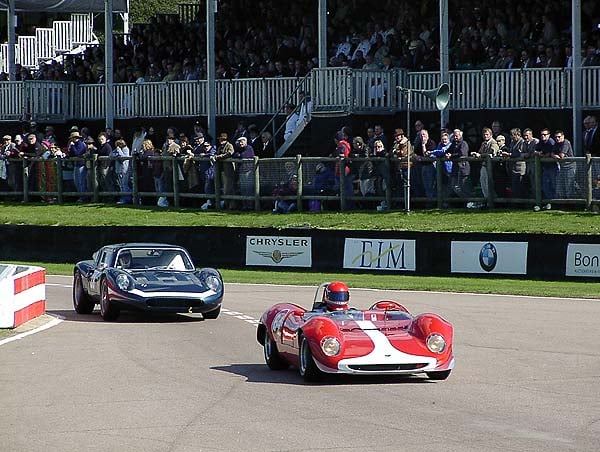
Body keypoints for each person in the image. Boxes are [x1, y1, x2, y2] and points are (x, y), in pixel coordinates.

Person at [471, 127, 499, 208]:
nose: (485, 136)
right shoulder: (484, 143)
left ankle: (491, 202)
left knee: (489, 184)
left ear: (491, 135)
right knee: (483, 184)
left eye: (487, 134)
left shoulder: (493, 143)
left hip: (490, 167)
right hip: (483, 166)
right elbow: (480, 152)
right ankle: (486, 201)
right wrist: (476, 154)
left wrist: (480, 155)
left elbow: (492, 154)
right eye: (484, 134)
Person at [554, 130, 577, 199]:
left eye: (559, 136)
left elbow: (561, 155)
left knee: (569, 186)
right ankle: (564, 203)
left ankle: (572, 204)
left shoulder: (566, 142)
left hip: (570, 167)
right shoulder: (556, 144)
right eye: (556, 137)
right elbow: (551, 153)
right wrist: (554, 155)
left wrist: (555, 155)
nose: (557, 138)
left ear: (563, 136)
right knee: (561, 186)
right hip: (562, 168)